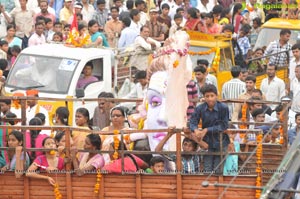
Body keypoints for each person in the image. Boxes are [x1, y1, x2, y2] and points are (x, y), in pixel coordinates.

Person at [189, 84, 229, 173]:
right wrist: (195, 130)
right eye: (207, 96)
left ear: (216, 96)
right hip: (207, 142)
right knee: (207, 169)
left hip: (221, 141)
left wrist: (206, 130)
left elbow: (224, 125)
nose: (210, 98)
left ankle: (218, 186)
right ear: (204, 97)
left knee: (218, 170)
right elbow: (192, 121)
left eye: (212, 96)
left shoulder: (223, 108)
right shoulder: (200, 108)